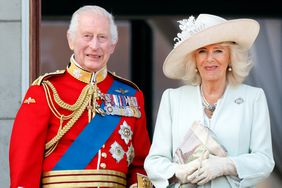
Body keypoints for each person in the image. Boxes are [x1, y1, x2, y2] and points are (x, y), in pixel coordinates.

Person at [10, 5, 151, 188]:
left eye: (102, 37)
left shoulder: (131, 95)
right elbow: (24, 163)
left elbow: (142, 164)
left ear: (112, 45)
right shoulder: (45, 91)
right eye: (87, 36)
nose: (94, 46)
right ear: (71, 40)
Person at [144, 14, 274, 187]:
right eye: (202, 51)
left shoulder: (253, 98)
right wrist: (178, 172)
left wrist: (226, 166)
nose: (209, 58)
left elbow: (264, 160)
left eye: (218, 50)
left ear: (230, 57)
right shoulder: (172, 99)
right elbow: (154, 162)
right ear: (194, 60)